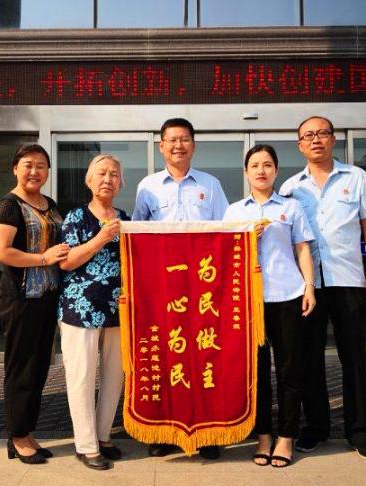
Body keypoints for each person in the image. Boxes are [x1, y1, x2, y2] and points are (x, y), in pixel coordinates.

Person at [279, 116, 366, 461]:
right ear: (300, 145)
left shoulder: (356, 177)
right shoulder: (291, 188)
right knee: (309, 360)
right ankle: (317, 428)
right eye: (308, 135)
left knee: (353, 358)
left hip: (348, 280)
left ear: (333, 139)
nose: (316, 140)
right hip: (308, 285)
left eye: (322, 134)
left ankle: (361, 433)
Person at [133, 117, 228, 459]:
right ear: (161, 146)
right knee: (167, 355)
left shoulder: (211, 185)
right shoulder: (147, 187)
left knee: (203, 356)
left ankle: (207, 433)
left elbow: (226, 231)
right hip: (164, 289)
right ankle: (165, 432)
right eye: (172, 140)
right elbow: (138, 237)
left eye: (184, 139)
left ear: (193, 145)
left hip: (202, 288)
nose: (178, 145)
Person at [224, 144, 316, 468]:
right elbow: (224, 255)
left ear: (276, 171)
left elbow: (302, 249)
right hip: (249, 302)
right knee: (257, 372)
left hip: (288, 295)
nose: (261, 170)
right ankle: (263, 436)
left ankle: (287, 437)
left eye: (267, 165)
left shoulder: (291, 207)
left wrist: (309, 287)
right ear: (246, 172)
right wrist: (247, 238)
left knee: (290, 370)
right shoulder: (235, 212)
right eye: (255, 165)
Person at [0, 144, 70, 464]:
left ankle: (27, 431)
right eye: (28, 165)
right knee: (21, 367)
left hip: (47, 298)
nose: (34, 171)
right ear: (15, 169)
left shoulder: (49, 204)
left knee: (38, 368)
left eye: (41, 166)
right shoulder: (8, 206)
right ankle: (18, 436)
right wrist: (43, 258)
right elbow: (2, 252)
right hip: (21, 299)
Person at [58, 154, 130, 471]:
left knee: (115, 376)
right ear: (89, 180)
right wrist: (101, 238)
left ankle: (103, 436)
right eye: (101, 173)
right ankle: (86, 446)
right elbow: (66, 262)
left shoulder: (125, 218)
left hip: (117, 309)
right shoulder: (76, 216)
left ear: (120, 183)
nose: (107, 179)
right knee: (82, 377)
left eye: (114, 174)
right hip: (80, 309)